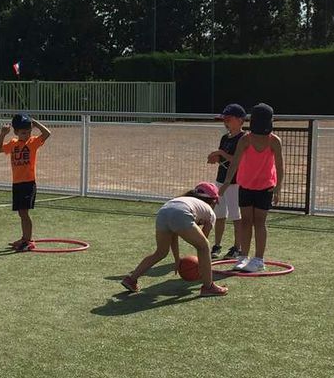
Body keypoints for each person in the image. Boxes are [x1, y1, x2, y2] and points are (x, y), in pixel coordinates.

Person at [120, 182, 229, 297]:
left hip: (163, 212)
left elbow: (174, 234)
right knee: (204, 247)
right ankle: (208, 287)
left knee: (160, 252)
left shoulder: (184, 200)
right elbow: (202, 243)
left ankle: (131, 279)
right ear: (213, 201)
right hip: (181, 213)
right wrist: (200, 265)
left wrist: (178, 259)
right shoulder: (210, 212)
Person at [219, 102, 284, 273]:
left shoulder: (274, 141)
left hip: (265, 188)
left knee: (259, 222)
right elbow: (234, 164)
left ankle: (258, 259)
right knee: (246, 221)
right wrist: (225, 184)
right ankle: (243, 257)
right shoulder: (245, 139)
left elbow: (280, 166)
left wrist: (278, 188)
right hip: (246, 186)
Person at [0, 113, 51, 251]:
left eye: (28, 132)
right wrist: (2, 134)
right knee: (21, 213)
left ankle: (29, 240)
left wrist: (35, 122)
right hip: (17, 183)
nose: (26, 135)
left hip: (28, 183)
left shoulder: (32, 142)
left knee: (24, 213)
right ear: (16, 132)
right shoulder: (13, 144)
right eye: (23, 132)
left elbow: (47, 133)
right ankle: (24, 238)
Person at [207, 103, 247, 260]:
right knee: (220, 214)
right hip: (220, 180)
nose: (226, 122)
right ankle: (217, 245)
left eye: (229, 119)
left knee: (236, 215)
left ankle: (238, 246)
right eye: (225, 119)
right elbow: (223, 158)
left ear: (240, 120)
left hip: (235, 182)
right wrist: (215, 157)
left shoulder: (243, 138)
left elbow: (238, 160)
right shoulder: (225, 137)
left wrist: (220, 153)